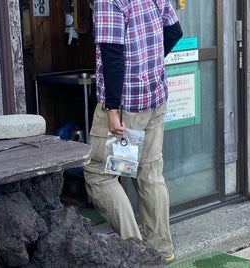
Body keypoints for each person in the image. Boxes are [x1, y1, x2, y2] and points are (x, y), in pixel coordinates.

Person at [84, 0, 183, 263]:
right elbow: (174, 32)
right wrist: (147, 65)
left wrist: (113, 110)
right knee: (149, 171)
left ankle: (136, 251)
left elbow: (112, 53)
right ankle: (162, 251)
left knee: (101, 176)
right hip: (155, 97)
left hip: (126, 109)